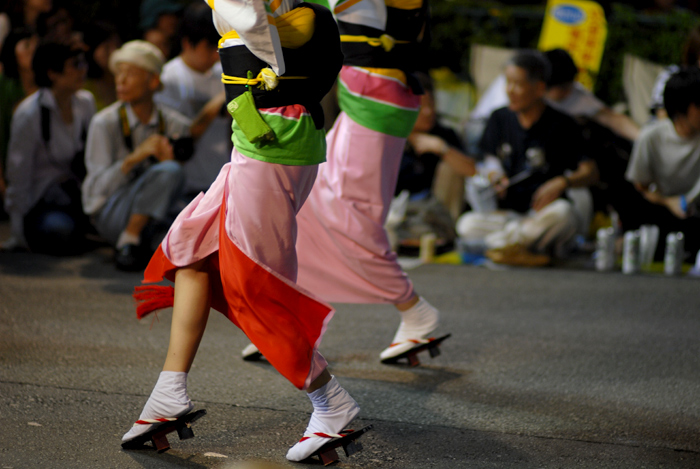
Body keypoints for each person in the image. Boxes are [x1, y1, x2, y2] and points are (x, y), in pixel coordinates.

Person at [122, 0, 358, 462]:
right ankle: (169, 392)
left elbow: (250, 21)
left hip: (272, 139)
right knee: (192, 249)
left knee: (252, 285)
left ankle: (330, 404)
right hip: (265, 134)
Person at [288, 0, 445, 364]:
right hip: (372, 90)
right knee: (311, 201)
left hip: (376, 90)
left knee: (350, 217)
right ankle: (300, 321)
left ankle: (416, 312)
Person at [455, 50, 599, 265]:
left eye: (518, 84)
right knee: (467, 225)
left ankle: (501, 246)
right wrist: (494, 176)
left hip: (542, 214)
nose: (510, 91)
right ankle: (522, 247)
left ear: (539, 88)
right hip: (508, 215)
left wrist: (561, 183)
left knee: (565, 214)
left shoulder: (562, 125)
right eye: (508, 83)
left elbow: (591, 172)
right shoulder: (499, 118)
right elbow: (490, 161)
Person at [81, 40, 190, 271]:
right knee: (169, 172)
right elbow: (94, 191)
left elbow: (180, 177)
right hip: (112, 211)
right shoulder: (104, 122)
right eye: (118, 73)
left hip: (156, 211)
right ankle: (128, 240)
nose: (120, 81)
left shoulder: (174, 123)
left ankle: (144, 242)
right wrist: (132, 160)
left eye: (129, 74)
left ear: (152, 81)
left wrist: (167, 163)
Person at [3, 38, 94, 254]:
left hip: (76, 192)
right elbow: (18, 173)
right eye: (75, 65)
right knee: (60, 230)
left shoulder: (85, 102)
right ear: (52, 72)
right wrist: (17, 231)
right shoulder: (30, 114)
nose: (83, 70)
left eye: (83, 63)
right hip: (41, 199)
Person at [154, 2, 231, 200]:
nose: (216, 55)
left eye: (219, 46)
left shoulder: (223, 73)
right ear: (188, 43)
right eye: (209, 47)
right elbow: (179, 139)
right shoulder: (168, 80)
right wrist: (215, 106)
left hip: (220, 180)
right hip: (185, 187)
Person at [625, 67, 700, 260]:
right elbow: (640, 187)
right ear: (681, 108)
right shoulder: (652, 136)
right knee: (637, 208)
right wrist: (669, 202)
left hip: (695, 209)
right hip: (662, 206)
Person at [544, 48, 640, 142]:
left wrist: (641, 137)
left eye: (571, 85)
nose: (569, 92)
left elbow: (612, 119)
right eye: (564, 88)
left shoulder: (577, 96)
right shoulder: (533, 100)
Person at [82, 21, 121, 111]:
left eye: (117, 45)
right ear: (92, 51)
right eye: (107, 48)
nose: (114, 52)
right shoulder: (83, 87)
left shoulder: (125, 80)